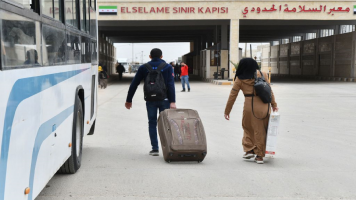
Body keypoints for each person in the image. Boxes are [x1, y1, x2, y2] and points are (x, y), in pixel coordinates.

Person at [224, 58, 278, 164]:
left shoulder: (240, 78)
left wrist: (227, 111)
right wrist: (274, 105)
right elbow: (269, 91)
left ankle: (251, 151)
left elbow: (232, 96)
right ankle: (258, 155)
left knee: (248, 127)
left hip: (249, 106)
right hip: (264, 106)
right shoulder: (263, 74)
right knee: (261, 130)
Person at [125, 48, 176, 156]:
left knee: (152, 123)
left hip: (150, 100)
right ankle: (169, 148)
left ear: (150, 56)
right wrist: (172, 101)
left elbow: (134, 84)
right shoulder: (168, 67)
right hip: (165, 100)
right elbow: (171, 85)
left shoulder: (144, 67)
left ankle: (155, 149)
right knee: (166, 124)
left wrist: (129, 100)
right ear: (162, 56)